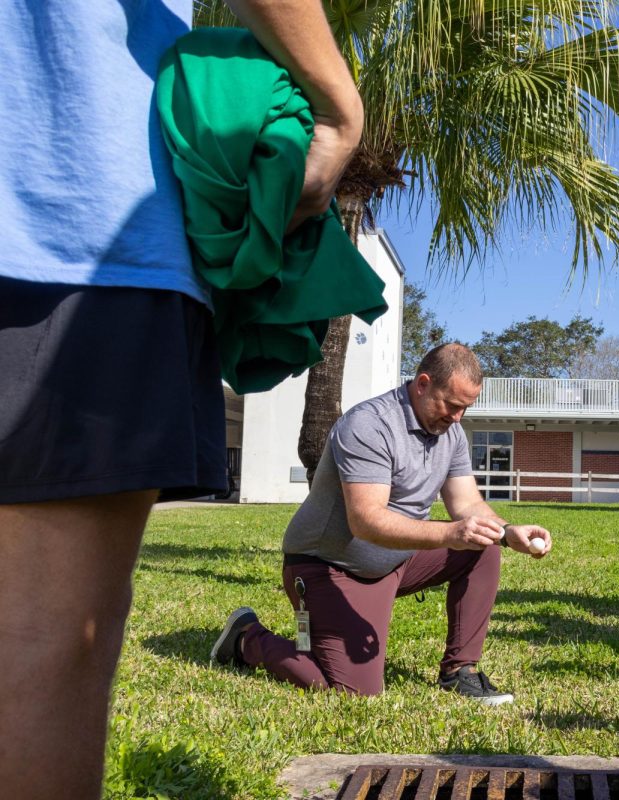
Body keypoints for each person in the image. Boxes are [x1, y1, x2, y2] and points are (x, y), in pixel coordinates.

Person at [0, 2, 362, 797]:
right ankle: (253, 642)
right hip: (68, 217)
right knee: (51, 643)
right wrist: (338, 107)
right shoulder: (378, 426)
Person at [212, 344, 551, 704]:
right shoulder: (369, 425)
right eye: (451, 405)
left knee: (483, 545)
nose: (458, 417)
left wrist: (506, 531)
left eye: (466, 407)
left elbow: (467, 504)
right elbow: (366, 522)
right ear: (422, 384)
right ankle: (247, 638)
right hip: (327, 566)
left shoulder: (449, 434)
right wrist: (451, 533)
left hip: (396, 562)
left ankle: (459, 672)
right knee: (354, 692)